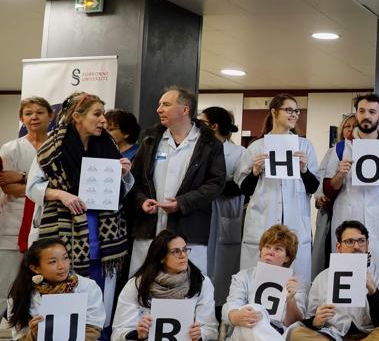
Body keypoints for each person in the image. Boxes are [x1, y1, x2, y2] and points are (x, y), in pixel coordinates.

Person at [30, 92, 134, 327]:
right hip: (66, 228)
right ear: (77, 116)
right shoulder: (52, 147)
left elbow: (121, 190)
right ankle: (64, 337)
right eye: (97, 114)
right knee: (68, 284)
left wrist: (124, 173)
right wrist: (61, 194)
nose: (103, 121)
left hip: (103, 230)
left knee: (100, 290)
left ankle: (97, 339)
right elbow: (33, 187)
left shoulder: (107, 144)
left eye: (103, 115)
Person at [127, 87, 226, 278]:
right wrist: (142, 201)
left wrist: (182, 203)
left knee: (187, 286)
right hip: (150, 229)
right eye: (159, 105)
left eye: (166, 104)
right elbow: (135, 180)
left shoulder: (210, 144)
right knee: (143, 284)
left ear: (185, 109)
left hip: (189, 229)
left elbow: (215, 184)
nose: (159, 109)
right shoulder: (150, 141)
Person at [0, 238, 121, 341]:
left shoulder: (87, 286)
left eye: (65, 258)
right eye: (52, 262)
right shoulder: (20, 294)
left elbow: (93, 328)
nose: (62, 266)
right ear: (35, 268)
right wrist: (35, 334)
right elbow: (19, 340)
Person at [111, 230, 227, 341]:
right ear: (161, 257)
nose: (183, 255)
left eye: (185, 249)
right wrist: (136, 334)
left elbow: (211, 328)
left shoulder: (201, 281)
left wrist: (199, 336)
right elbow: (118, 333)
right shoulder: (137, 283)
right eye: (176, 252)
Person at [287, 220, 379, 341]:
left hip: (367, 339)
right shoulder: (323, 277)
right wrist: (316, 321)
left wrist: (373, 292)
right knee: (295, 335)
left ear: (367, 245)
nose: (356, 246)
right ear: (338, 247)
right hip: (333, 338)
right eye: (349, 242)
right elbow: (309, 321)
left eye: (361, 241)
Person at [321, 93, 379, 282]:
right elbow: (329, 189)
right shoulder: (341, 148)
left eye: (372, 112)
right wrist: (340, 174)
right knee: (347, 276)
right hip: (348, 215)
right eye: (362, 111)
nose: (366, 116)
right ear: (356, 114)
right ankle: (347, 312)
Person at [236, 94, 319, 286]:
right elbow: (244, 189)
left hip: (295, 223)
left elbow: (314, 187)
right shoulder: (256, 147)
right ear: (274, 112)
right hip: (262, 220)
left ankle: (293, 315)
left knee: (295, 285)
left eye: (296, 111)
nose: (294, 115)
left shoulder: (305, 146)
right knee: (259, 284)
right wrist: (255, 172)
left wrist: (305, 170)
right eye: (288, 110)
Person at [223, 224, 309, 341]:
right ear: (260, 250)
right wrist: (237, 316)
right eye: (267, 247)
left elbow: (295, 323)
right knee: (256, 309)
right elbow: (229, 307)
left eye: (278, 249)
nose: (270, 252)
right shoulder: (243, 276)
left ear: (287, 258)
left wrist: (290, 299)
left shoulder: (294, 282)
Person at [1, 97, 51, 302]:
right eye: (28, 113)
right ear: (21, 118)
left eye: (40, 112)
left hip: (48, 219)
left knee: (44, 282)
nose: (34, 117)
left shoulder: (58, 146)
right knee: (7, 281)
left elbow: (62, 185)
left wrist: (22, 177)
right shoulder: (11, 148)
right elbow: (8, 187)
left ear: (51, 115)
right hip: (14, 221)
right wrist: (44, 187)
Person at [200, 106, 247, 307]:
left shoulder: (238, 152)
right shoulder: (198, 148)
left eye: (202, 122)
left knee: (225, 267)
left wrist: (210, 186)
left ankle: (222, 309)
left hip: (228, 210)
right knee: (204, 262)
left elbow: (241, 186)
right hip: (203, 211)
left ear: (214, 126)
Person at [312, 115, 355, 276]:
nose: (350, 130)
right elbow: (320, 180)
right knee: (327, 254)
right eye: (347, 126)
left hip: (349, 208)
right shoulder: (333, 152)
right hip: (329, 211)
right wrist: (319, 198)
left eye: (354, 126)